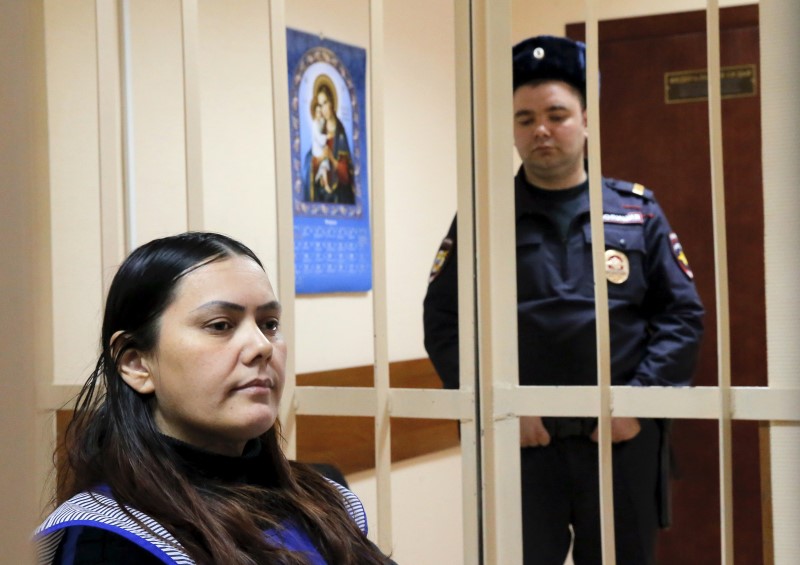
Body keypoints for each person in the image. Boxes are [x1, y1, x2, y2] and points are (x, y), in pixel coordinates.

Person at [423, 36, 704, 565]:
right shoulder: (486, 218)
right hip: (523, 440)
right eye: (525, 119)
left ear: (586, 120)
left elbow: (681, 316)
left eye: (557, 114)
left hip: (621, 439)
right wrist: (501, 405)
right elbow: (444, 320)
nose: (541, 130)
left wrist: (636, 401)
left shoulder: (635, 212)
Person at [35, 232, 393, 564]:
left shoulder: (324, 498)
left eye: (269, 323)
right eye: (220, 325)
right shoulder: (113, 536)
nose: (261, 346)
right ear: (136, 364)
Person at [303, 79, 356, 205]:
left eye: (325, 103)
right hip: (320, 196)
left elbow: (346, 177)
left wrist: (331, 158)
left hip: (338, 196)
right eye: (320, 105)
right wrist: (320, 158)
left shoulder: (340, 133)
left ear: (332, 102)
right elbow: (311, 158)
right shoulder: (320, 130)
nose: (323, 109)